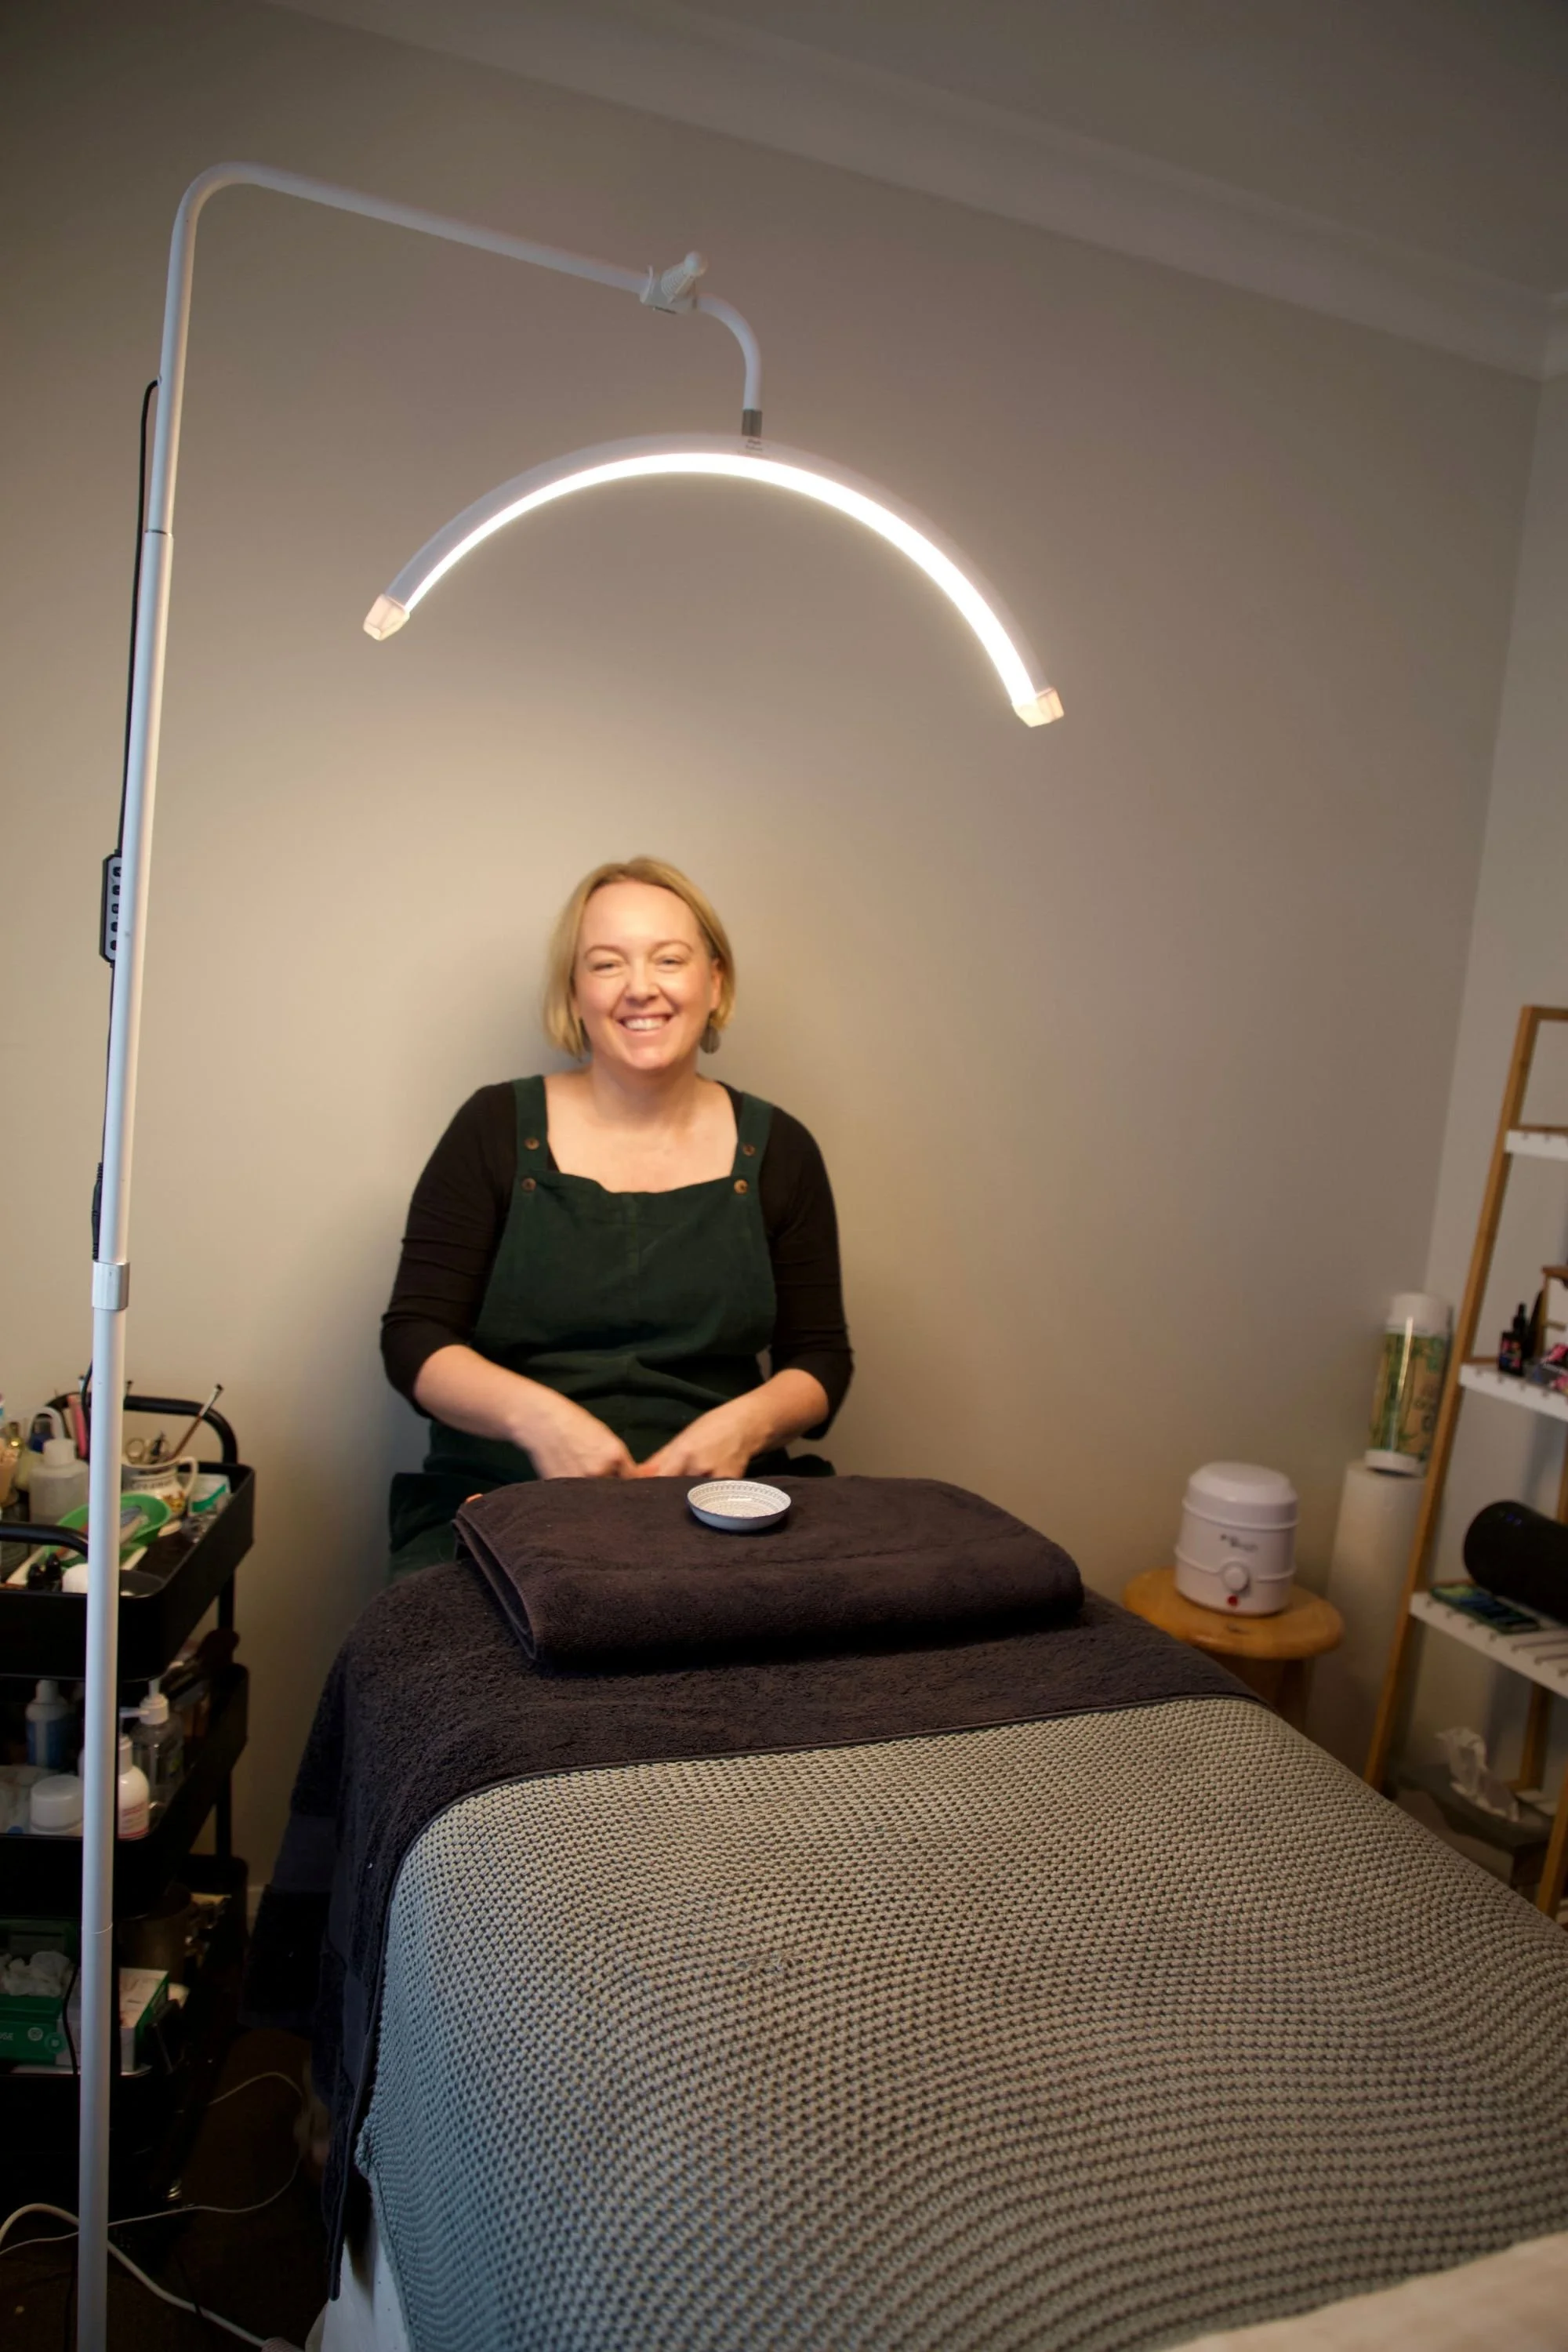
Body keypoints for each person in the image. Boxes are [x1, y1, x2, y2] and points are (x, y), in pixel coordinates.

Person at [380, 856, 853, 1576]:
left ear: (714, 980)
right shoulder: (492, 1127)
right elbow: (414, 1338)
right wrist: (537, 1421)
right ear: (574, 992)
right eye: (606, 964)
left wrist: (746, 1424)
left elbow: (820, 1358)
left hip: (720, 1511)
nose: (642, 988)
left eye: (670, 959)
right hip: (502, 1495)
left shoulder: (781, 1148)